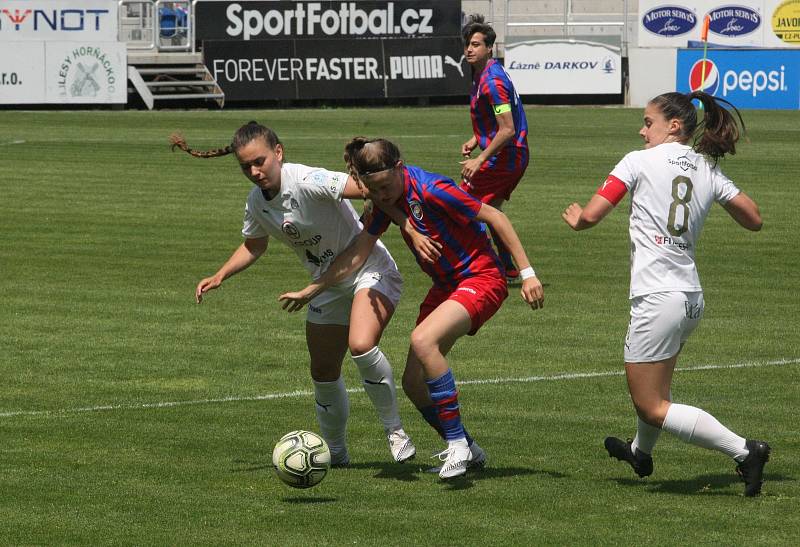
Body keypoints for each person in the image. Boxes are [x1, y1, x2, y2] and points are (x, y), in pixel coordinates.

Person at [279, 137, 544, 480]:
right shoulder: (385, 201)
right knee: (413, 382)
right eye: (374, 190)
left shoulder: (434, 189)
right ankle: (470, 448)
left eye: (387, 186)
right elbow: (358, 252)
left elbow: (494, 216)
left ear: (400, 168)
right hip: (446, 287)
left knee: (423, 340)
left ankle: (456, 445)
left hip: (482, 277)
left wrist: (527, 275)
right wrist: (314, 288)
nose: (383, 195)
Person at [170, 121, 418, 466]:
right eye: (246, 167)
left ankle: (395, 431)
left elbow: (371, 189)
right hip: (325, 285)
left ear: (278, 153)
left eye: (260, 162)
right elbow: (254, 245)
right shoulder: (257, 203)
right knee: (323, 370)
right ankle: (335, 451)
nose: (255, 172)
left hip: (370, 271)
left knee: (361, 345)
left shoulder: (307, 180)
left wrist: (407, 225)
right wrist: (220, 275)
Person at [562, 91, 769, 496]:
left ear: (673, 125)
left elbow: (592, 215)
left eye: (647, 121)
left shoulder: (637, 161)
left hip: (657, 298)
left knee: (650, 405)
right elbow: (755, 219)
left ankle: (745, 451)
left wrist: (577, 219)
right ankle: (640, 452)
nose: (642, 130)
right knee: (658, 391)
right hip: (689, 297)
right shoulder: (706, 168)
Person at [459, 14, 530, 281]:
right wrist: (476, 138)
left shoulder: (492, 81)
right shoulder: (484, 73)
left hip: (507, 156)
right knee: (490, 211)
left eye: (476, 44)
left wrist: (479, 160)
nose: (469, 49)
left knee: (463, 205)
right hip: (508, 154)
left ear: (490, 48)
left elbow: (508, 129)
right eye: (468, 44)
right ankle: (507, 266)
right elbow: (497, 118)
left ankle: (480, 266)